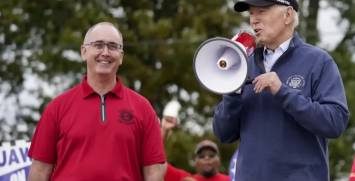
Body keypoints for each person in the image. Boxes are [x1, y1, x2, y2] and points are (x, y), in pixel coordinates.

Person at [213, 0, 349, 181]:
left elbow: (335, 122)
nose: (254, 20)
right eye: (251, 13)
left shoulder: (318, 61)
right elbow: (223, 134)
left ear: (287, 15)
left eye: (262, 11)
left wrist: (282, 91)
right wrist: (232, 91)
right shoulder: (243, 64)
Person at [27, 22, 167, 181]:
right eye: (98, 45)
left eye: (113, 46)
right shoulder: (57, 108)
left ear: (121, 56)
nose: (105, 52)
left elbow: (154, 173)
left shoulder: (143, 108)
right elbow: (39, 172)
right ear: (83, 52)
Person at [161, 117, 229, 181]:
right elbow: (159, 165)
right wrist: (164, 131)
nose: (207, 158)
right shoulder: (186, 179)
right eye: (201, 156)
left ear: (219, 161)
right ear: (195, 162)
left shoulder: (233, 179)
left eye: (211, 155)